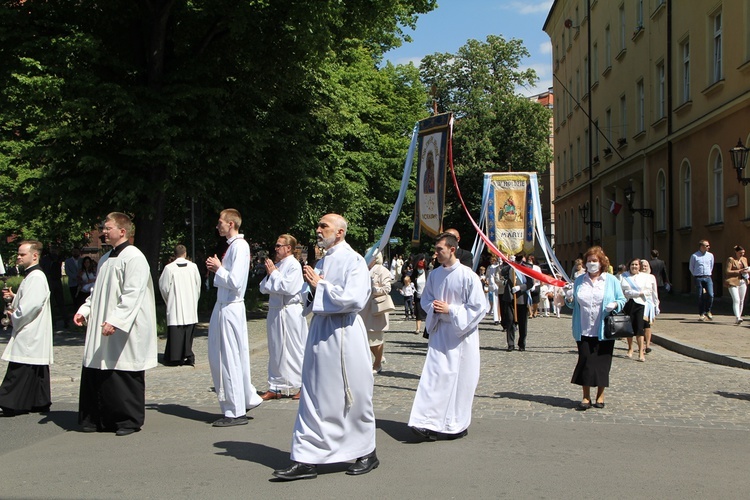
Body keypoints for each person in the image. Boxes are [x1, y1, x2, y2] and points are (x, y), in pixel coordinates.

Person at [273, 214, 378, 481]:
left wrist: (321, 286)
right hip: (320, 330)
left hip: (343, 333)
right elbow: (309, 298)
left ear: (340, 232)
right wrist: (309, 289)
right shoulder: (322, 260)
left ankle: (366, 451)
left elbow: (354, 299)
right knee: (313, 394)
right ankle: (307, 457)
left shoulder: (354, 260)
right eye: (318, 225)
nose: (318, 230)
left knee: (351, 394)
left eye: (324, 226)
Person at [73, 212, 157, 436]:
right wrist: (85, 310)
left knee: (122, 370)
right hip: (103, 322)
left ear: (122, 231)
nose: (103, 231)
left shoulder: (134, 257)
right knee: (98, 368)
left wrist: (117, 320)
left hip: (124, 326)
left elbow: (132, 293)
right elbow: (97, 292)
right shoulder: (104, 259)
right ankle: (99, 418)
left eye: (107, 228)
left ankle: (126, 420)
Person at [408, 232, 487, 441]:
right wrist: (435, 309)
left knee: (461, 379)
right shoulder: (434, 275)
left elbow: (479, 307)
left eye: (439, 250)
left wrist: (451, 310)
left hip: (461, 335)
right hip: (440, 333)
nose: (435, 254)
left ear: (452, 249)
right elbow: (426, 300)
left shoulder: (468, 275)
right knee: (434, 378)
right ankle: (427, 422)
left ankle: (456, 424)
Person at [205, 209, 263, 427]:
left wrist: (218, 269)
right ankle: (243, 399)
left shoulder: (240, 246)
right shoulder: (233, 247)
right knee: (224, 356)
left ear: (230, 224)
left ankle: (234, 411)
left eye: (220, 222)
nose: (217, 225)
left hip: (230, 307)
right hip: (224, 306)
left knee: (228, 358)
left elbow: (236, 281)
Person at [565, 246, 626, 410]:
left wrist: (615, 304)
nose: (591, 264)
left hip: (604, 330)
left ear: (601, 263)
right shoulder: (579, 280)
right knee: (585, 361)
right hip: (583, 328)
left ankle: (600, 394)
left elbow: (621, 299)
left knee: (602, 364)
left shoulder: (611, 280)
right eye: (589, 261)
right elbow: (572, 305)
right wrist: (569, 297)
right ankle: (585, 396)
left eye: (595, 261)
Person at [0, 241, 53, 416]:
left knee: (21, 366)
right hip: (32, 329)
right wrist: (15, 297)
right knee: (35, 367)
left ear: (34, 255)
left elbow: (30, 307)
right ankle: (39, 401)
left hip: (30, 330)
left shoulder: (36, 277)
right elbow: (30, 299)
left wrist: (13, 317)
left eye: (22, 254)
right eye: (18, 254)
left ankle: (8, 402)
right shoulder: (31, 277)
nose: (18, 257)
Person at [257, 233, 308, 400]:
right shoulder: (277, 265)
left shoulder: (293, 265)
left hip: (289, 311)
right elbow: (263, 287)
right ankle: (276, 386)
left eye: (279, 246)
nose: (276, 248)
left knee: (294, 349)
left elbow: (287, 287)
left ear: (288, 248)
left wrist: (274, 275)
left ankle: (302, 384)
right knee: (276, 348)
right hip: (275, 310)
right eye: (276, 245)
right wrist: (273, 275)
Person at [158, 244, 201, 367]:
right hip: (190, 303)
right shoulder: (193, 267)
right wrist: (194, 299)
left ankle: (175, 357)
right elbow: (198, 285)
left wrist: (169, 300)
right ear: (185, 253)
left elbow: (164, 287)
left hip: (175, 304)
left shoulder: (169, 268)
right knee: (188, 330)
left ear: (174, 254)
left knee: (176, 331)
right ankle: (187, 354)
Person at [360, 249, 392, 375]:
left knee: (375, 338)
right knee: (365, 337)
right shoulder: (364, 269)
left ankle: (377, 363)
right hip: (363, 308)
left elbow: (387, 288)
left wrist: (372, 289)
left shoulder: (382, 270)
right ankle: (379, 358)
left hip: (375, 308)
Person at [619, 258, 655, 362]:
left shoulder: (645, 277)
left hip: (641, 304)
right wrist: (637, 293)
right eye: (632, 264)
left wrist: (636, 293)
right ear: (629, 266)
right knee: (629, 328)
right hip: (628, 304)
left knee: (639, 328)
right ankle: (630, 348)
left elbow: (648, 291)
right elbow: (623, 292)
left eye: (636, 265)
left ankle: (641, 352)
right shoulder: (623, 276)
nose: (634, 266)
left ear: (639, 266)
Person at [499, 255, 532, 352]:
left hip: (521, 298)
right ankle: (510, 344)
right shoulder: (509, 266)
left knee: (522, 323)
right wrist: (510, 264)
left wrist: (520, 288)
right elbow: (502, 272)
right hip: (509, 297)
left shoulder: (527, 267)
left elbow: (530, 283)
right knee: (510, 321)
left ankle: (522, 344)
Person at [689, 240, 715, 321]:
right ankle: (702, 313)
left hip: (708, 277)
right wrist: (696, 275)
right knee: (700, 296)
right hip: (698, 277)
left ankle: (708, 310)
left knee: (711, 294)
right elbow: (691, 267)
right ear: (701, 246)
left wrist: (708, 273)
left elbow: (711, 266)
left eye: (708, 245)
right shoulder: (694, 256)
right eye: (706, 246)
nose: (708, 247)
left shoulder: (710, 255)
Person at [639, 259, 660, 354]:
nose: (644, 267)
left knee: (647, 325)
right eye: (642, 265)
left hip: (649, 304)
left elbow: (654, 292)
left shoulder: (652, 277)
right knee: (639, 325)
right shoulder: (636, 277)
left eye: (646, 266)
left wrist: (656, 304)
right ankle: (641, 345)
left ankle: (647, 345)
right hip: (639, 303)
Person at [725, 245, 749, 325]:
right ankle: (737, 317)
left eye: (743, 253)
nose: (742, 254)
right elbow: (727, 271)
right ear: (736, 252)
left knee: (741, 300)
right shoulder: (731, 259)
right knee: (736, 300)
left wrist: (747, 270)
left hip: (743, 281)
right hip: (733, 281)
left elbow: (746, 269)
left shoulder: (744, 259)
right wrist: (740, 271)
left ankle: (739, 317)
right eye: (740, 253)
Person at [64, 248, 81, 312]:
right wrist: (75, 277)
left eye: (77, 252)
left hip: (81, 283)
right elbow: (67, 271)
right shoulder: (68, 261)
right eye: (74, 252)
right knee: (74, 298)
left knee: (81, 299)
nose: (75, 253)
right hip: (72, 283)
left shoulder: (81, 260)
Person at [486, 255, 502, 325]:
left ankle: (499, 317)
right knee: (494, 301)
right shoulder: (489, 267)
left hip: (497, 285)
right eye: (491, 260)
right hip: (492, 286)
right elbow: (487, 276)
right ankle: (496, 318)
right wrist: (487, 282)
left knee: (498, 302)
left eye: (493, 260)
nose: (492, 261)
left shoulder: (498, 266)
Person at [413, 259, 427, 334]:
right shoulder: (415, 275)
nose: (420, 269)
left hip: (426, 296)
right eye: (419, 268)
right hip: (418, 296)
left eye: (421, 268)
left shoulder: (427, 274)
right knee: (418, 312)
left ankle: (427, 328)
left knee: (427, 313)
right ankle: (417, 328)